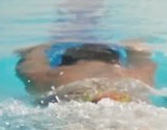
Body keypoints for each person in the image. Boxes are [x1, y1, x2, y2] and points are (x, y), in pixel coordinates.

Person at [15, 41, 157, 105]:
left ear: (65, 63)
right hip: (123, 99)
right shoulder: (136, 75)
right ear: (117, 62)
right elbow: (141, 52)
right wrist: (133, 46)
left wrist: (39, 48)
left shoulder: (58, 75)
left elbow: (28, 61)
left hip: (79, 96)